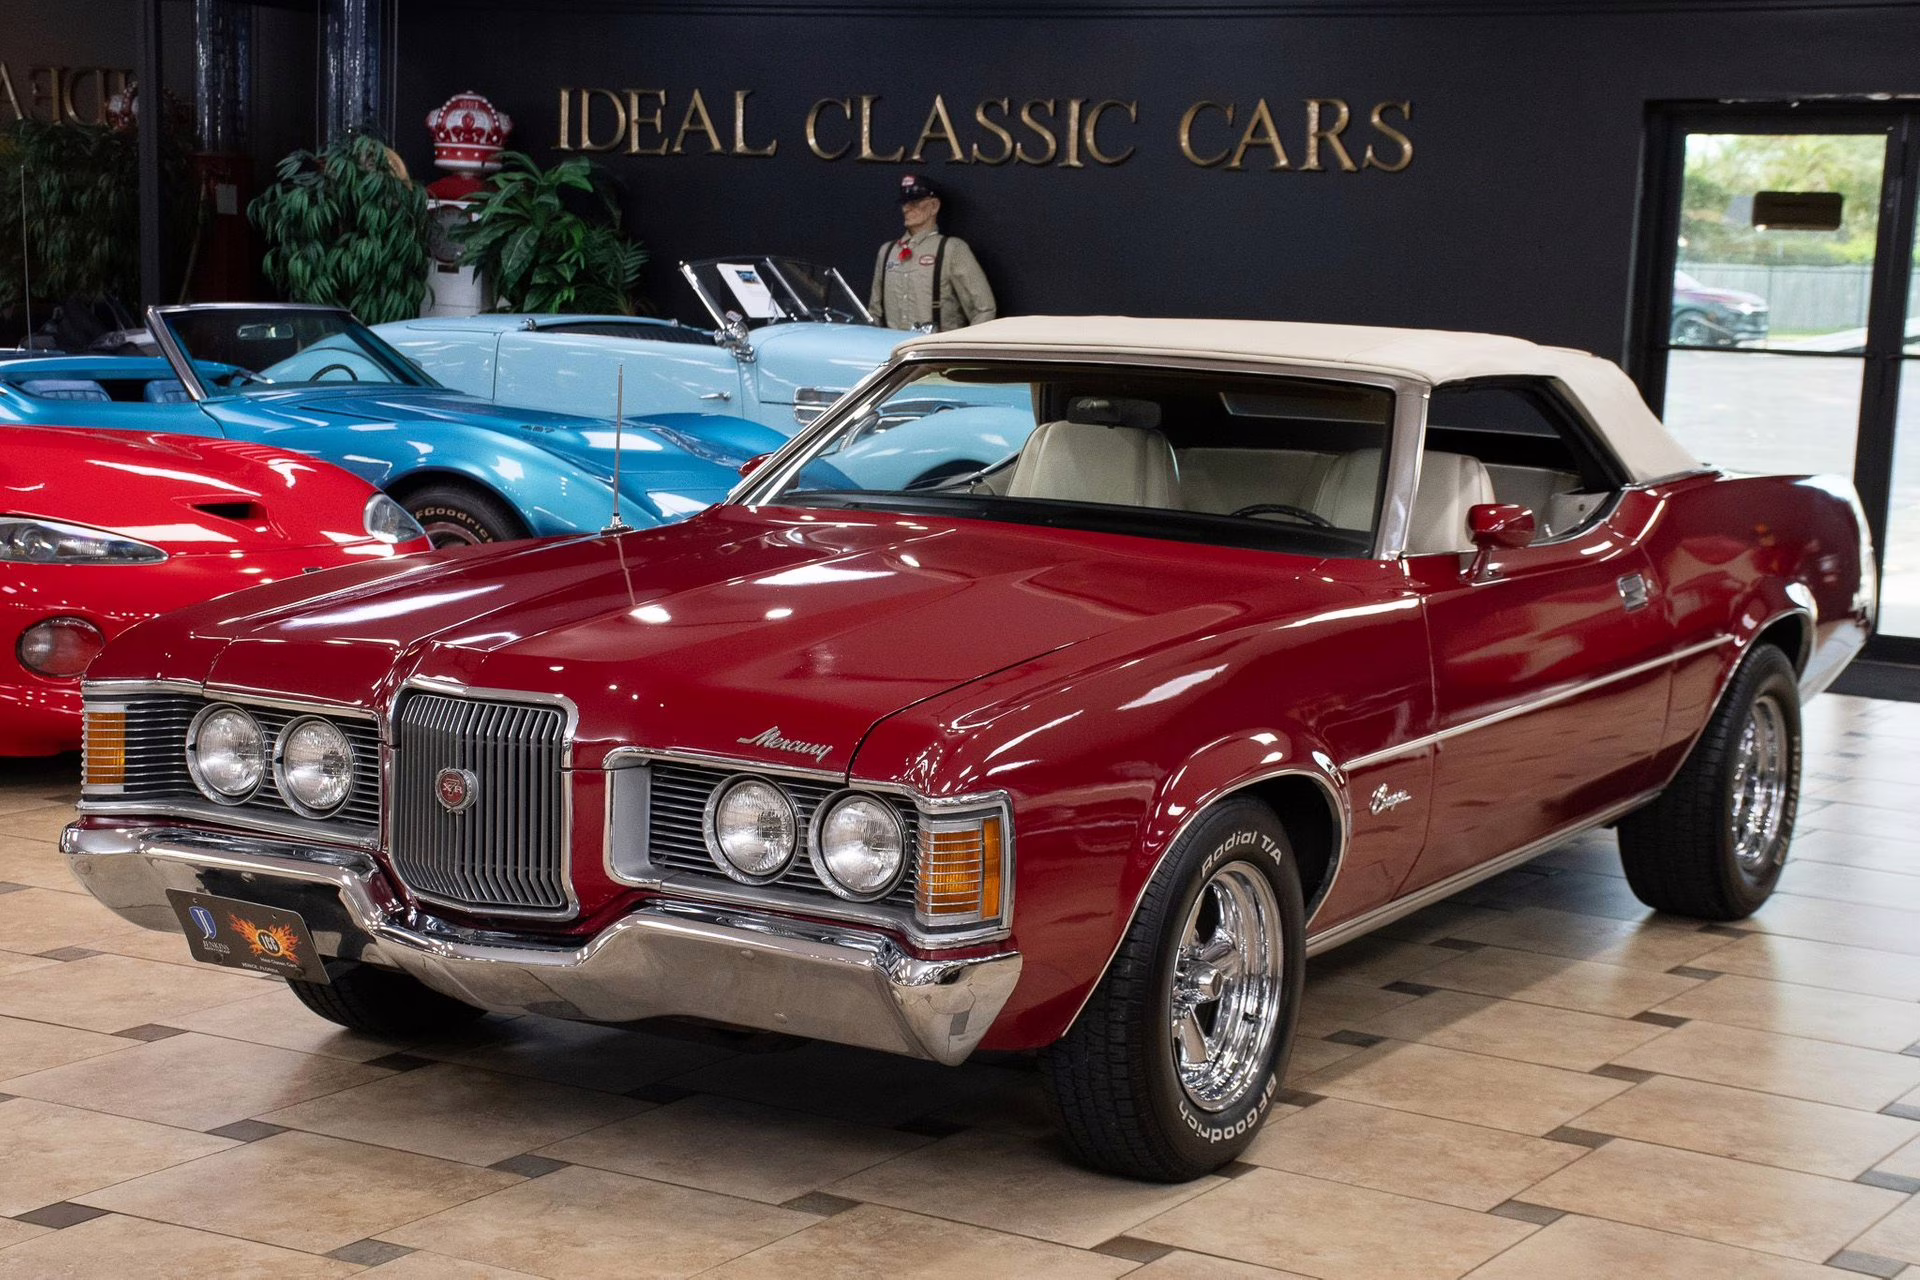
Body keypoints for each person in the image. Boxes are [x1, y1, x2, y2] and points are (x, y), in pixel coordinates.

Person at [869, 175, 996, 332]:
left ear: (934, 206)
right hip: (891, 350)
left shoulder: (951, 249)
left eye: (914, 203)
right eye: (904, 203)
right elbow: (874, 312)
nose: (906, 208)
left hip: (936, 350)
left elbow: (984, 308)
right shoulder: (888, 252)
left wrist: (959, 350)